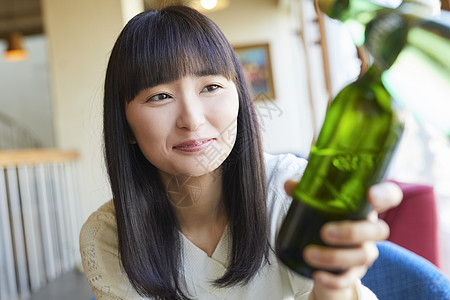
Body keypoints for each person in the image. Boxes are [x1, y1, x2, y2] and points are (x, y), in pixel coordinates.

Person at [79, 5, 403, 300]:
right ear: (125, 126)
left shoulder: (292, 194)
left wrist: (336, 285)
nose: (192, 119)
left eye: (210, 87)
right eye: (160, 96)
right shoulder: (108, 237)